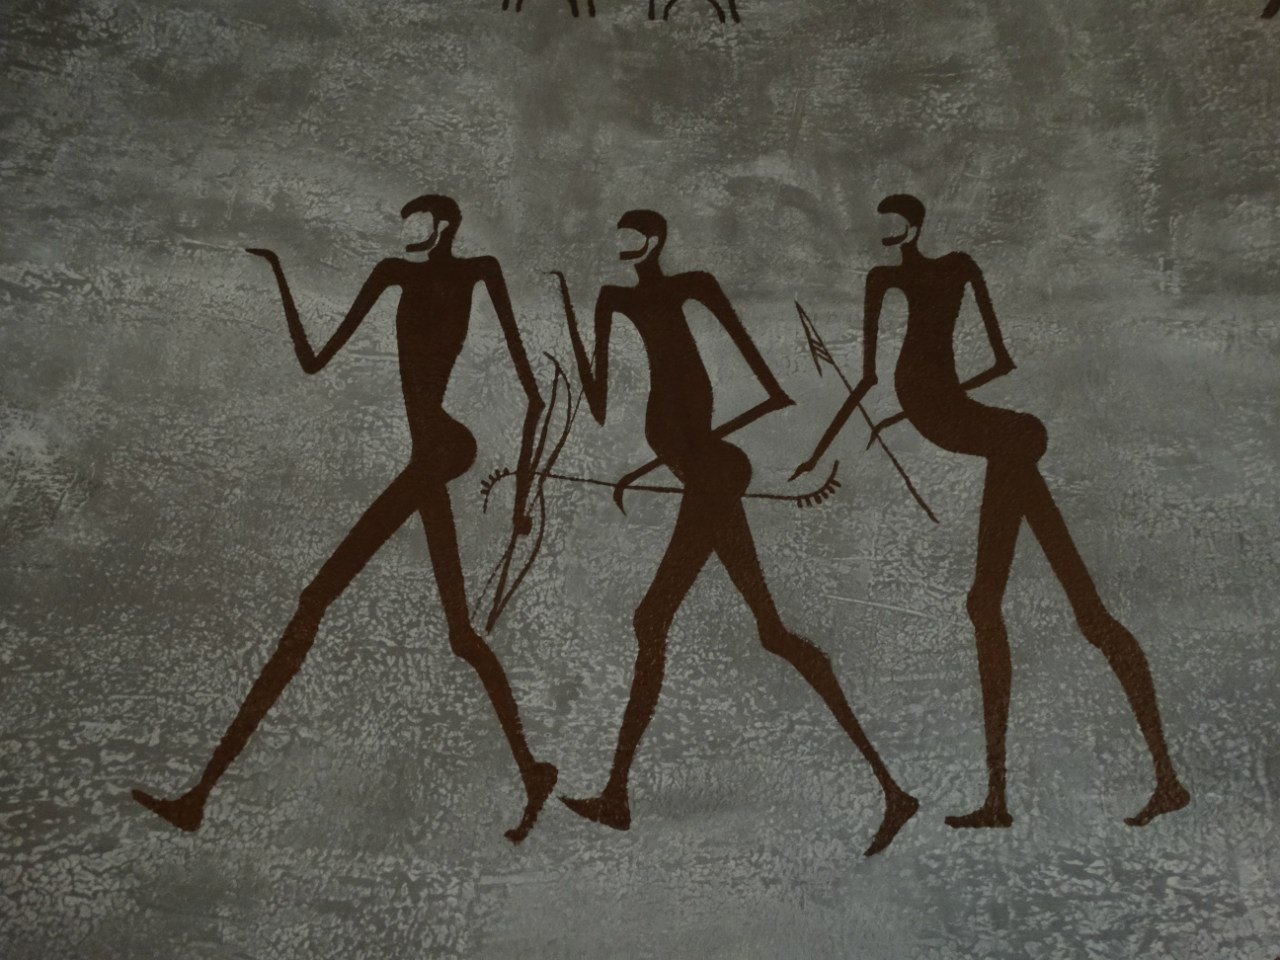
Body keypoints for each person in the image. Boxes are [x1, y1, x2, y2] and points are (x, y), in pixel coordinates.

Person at [132, 195, 557, 843]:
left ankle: (199, 796)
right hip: (428, 455)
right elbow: (314, 360)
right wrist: (281, 276)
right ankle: (531, 773)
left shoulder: (481, 271)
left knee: (316, 601)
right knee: (459, 634)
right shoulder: (392, 273)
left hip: (443, 448)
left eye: (419, 220)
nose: (407, 229)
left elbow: (533, 396)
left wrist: (523, 499)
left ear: (444, 226)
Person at [793, 193, 1190, 829]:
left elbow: (999, 360)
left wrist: (913, 411)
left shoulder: (956, 267)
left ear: (914, 225)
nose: (885, 233)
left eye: (894, 223)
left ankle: (1008, 799)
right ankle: (1153, 782)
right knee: (1075, 613)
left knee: (995, 605)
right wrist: (905, 413)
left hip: (1003, 436)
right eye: (881, 224)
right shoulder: (883, 281)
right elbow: (867, 379)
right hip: (997, 436)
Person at [555, 209, 918, 857]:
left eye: (633, 235)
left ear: (656, 241)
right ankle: (893, 792)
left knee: (650, 619)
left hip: (714, 475)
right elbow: (601, 403)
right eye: (619, 236)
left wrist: (695, 455)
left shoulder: (693, 286)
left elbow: (773, 392)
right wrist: (577, 327)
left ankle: (616, 796)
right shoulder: (614, 301)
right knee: (773, 633)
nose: (622, 245)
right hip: (707, 475)